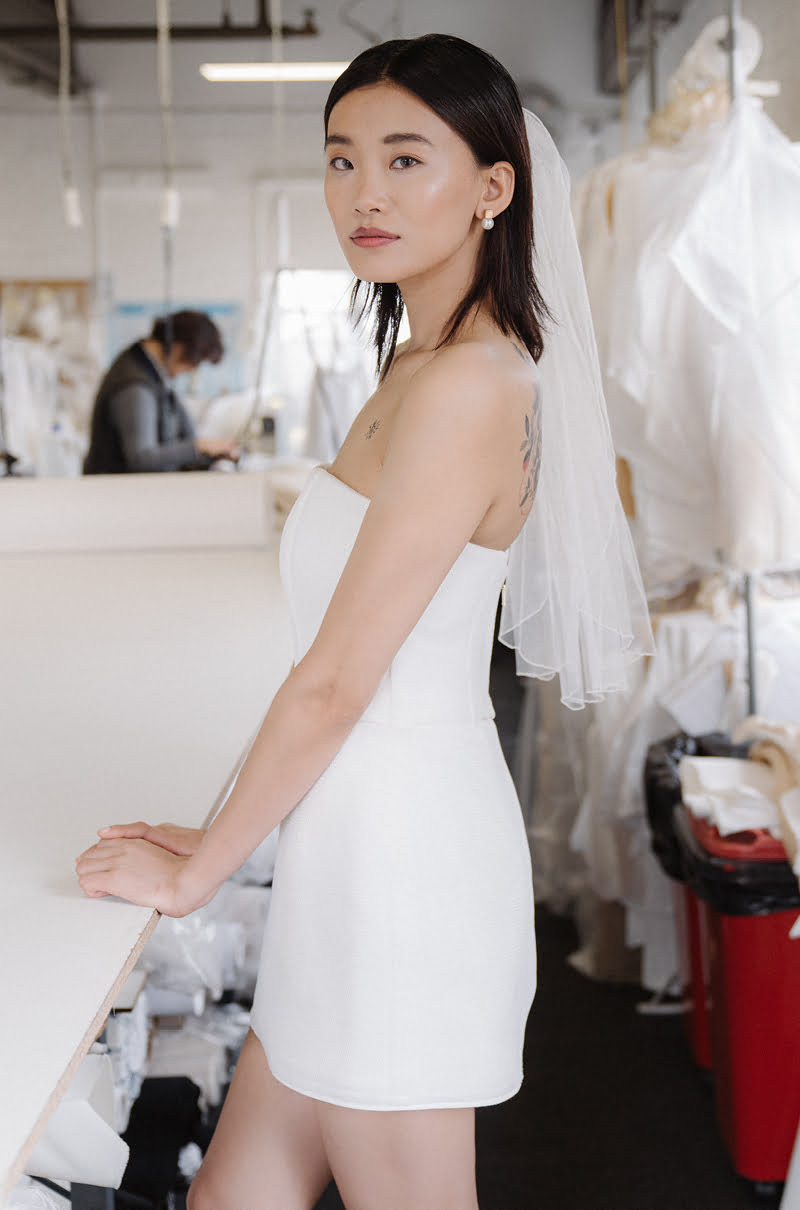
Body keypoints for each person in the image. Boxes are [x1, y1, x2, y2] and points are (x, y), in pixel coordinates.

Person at [76, 34, 651, 1210]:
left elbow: (340, 679)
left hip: (402, 869)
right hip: (347, 844)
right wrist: (222, 834)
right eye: (340, 160)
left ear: (492, 188)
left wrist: (200, 875)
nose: (364, 194)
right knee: (233, 1197)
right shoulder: (415, 364)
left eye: (404, 159)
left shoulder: (470, 386)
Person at [83, 309, 240, 473]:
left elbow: (183, 433)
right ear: (178, 349)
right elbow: (141, 458)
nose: (191, 371)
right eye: (195, 363)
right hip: (117, 486)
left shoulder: (155, 375)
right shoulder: (134, 384)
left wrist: (209, 453)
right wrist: (199, 447)